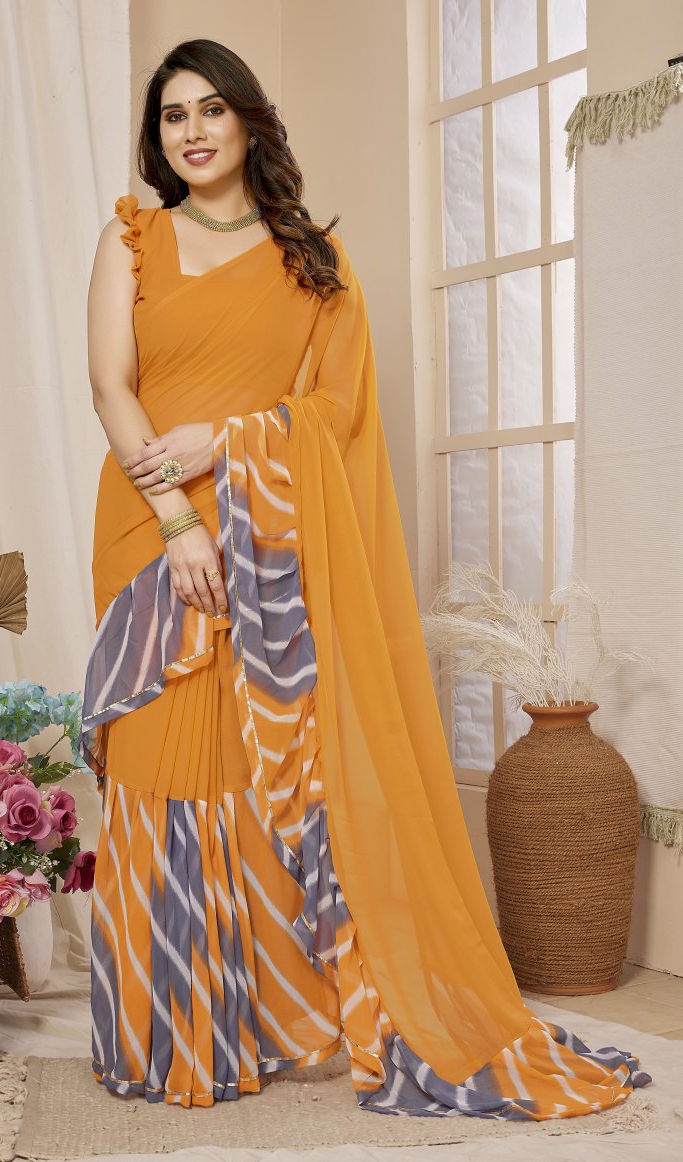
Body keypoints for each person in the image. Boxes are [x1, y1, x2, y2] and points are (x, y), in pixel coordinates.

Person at [79, 37, 651, 1115]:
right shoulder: (133, 238)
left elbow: (336, 414)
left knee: (250, 773)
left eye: (211, 109)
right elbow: (112, 387)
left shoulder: (314, 261)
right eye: (172, 116)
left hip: (262, 540)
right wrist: (176, 521)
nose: (192, 131)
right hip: (151, 529)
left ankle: (258, 1023)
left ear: (250, 119)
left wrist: (228, 442)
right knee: (160, 766)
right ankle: (166, 1036)